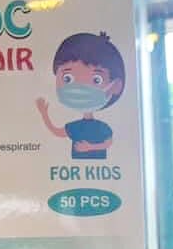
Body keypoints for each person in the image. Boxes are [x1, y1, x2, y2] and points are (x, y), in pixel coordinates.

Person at [36, 31, 125, 160]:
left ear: (116, 86)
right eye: (67, 78)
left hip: (97, 169)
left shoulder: (102, 127)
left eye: (96, 80)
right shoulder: (75, 127)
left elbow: (108, 143)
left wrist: (90, 147)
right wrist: (44, 113)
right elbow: (56, 131)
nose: (79, 88)